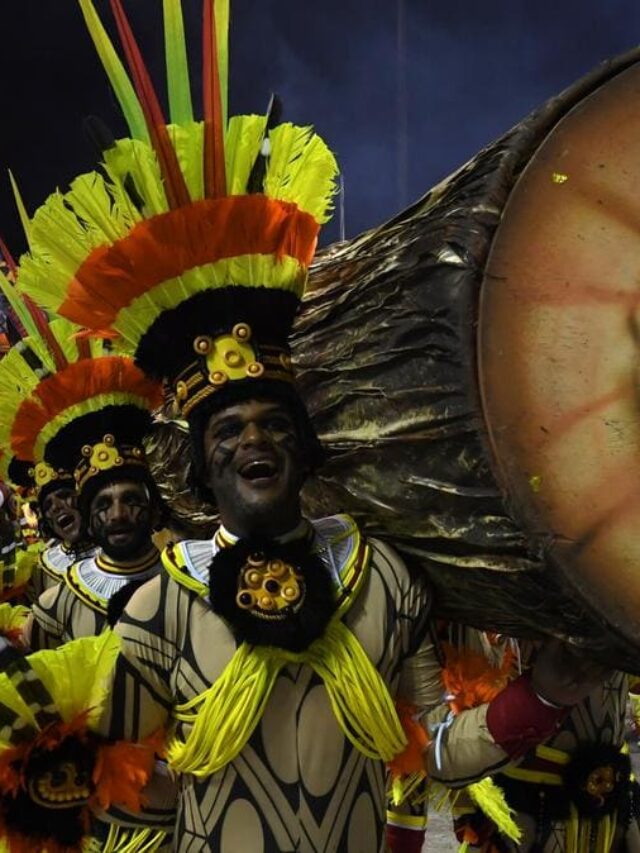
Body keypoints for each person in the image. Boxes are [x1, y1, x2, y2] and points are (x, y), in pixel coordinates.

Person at [14, 1, 606, 849]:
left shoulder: (384, 579)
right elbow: (130, 782)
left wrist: (543, 692)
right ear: (205, 471)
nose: (252, 439)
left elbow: (432, 748)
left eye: (270, 424)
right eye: (227, 434)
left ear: (302, 448)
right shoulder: (157, 606)